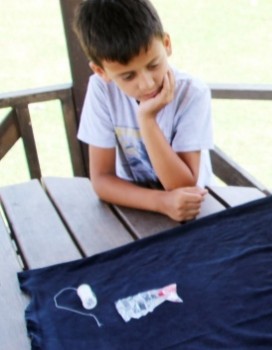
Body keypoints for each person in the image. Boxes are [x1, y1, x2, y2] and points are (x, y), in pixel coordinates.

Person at [73, 0, 214, 221]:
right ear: (101, 71)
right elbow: (101, 179)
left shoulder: (192, 93)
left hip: (194, 212)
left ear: (166, 43)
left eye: (154, 65)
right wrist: (160, 203)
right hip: (133, 210)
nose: (147, 83)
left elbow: (183, 186)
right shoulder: (101, 89)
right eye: (128, 76)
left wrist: (147, 121)